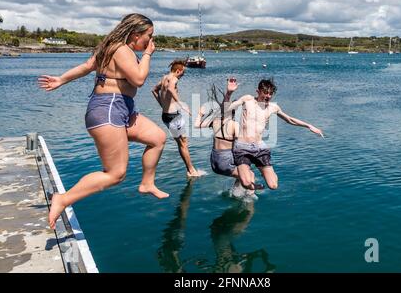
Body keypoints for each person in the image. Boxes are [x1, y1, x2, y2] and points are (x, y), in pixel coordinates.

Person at [38, 13, 169, 229]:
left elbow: (86, 66)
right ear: (136, 35)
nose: (151, 41)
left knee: (157, 138)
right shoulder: (121, 49)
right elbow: (138, 79)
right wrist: (147, 55)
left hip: (121, 108)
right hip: (109, 109)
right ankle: (62, 199)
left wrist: (61, 79)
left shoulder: (110, 47)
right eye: (149, 36)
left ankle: (147, 183)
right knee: (116, 173)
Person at [227, 78, 324, 190]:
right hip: (242, 147)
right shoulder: (247, 100)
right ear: (258, 91)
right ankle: (250, 179)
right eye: (265, 93)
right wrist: (229, 92)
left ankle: (260, 170)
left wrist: (309, 126)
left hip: (259, 147)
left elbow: (289, 119)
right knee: (246, 182)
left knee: (273, 185)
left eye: (271, 93)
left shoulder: (273, 107)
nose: (268, 96)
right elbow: (227, 108)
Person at [194, 78, 261, 191]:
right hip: (224, 162)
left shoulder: (214, 121)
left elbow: (197, 125)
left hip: (214, 162)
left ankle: (236, 192)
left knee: (243, 173)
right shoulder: (235, 125)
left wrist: (200, 114)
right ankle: (250, 204)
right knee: (250, 176)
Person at [152, 59, 203, 178]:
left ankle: (190, 169)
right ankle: (191, 170)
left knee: (181, 143)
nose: (183, 75)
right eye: (183, 73)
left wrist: (162, 104)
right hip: (174, 116)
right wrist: (182, 104)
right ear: (178, 71)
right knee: (184, 143)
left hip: (166, 116)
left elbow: (154, 90)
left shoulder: (164, 77)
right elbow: (170, 89)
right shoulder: (173, 79)